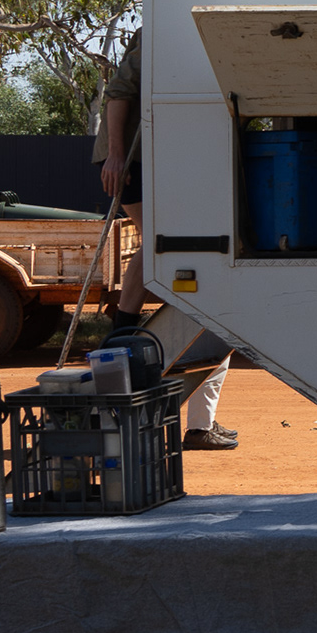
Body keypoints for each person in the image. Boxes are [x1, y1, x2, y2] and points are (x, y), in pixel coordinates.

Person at [95, 26, 236, 448]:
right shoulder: (158, 30)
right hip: (132, 158)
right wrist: (118, 155)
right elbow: (118, 92)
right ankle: (123, 325)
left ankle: (199, 423)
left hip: (163, 155)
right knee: (153, 240)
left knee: (173, 258)